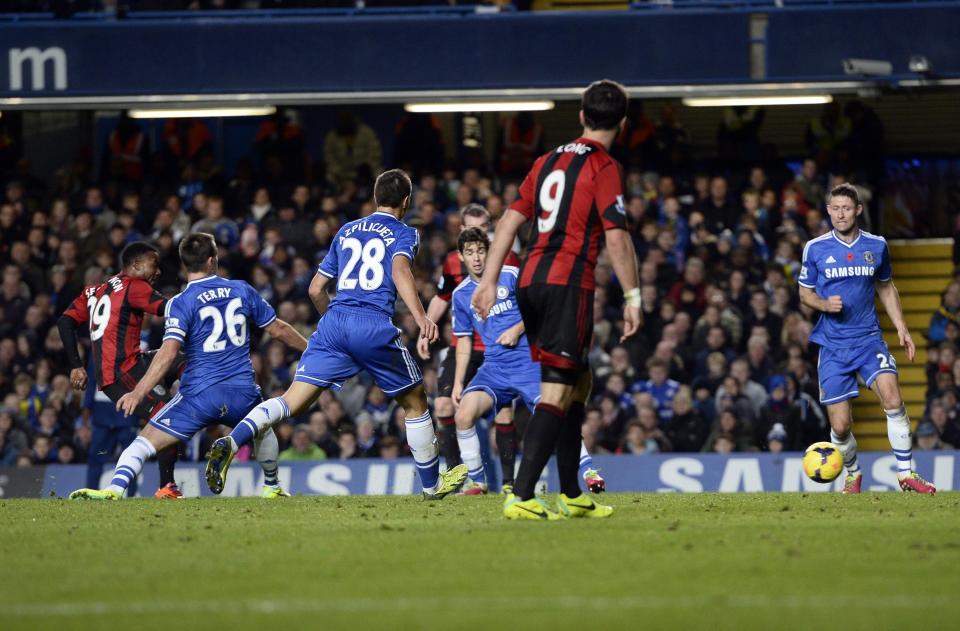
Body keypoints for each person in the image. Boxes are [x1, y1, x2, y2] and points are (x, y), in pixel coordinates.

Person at [205, 169, 468, 499]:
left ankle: (231, 440)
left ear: (375, 198)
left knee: (290, 401)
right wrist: (420, 315)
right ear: (406, 201)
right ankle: (432, 486)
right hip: (372, 323)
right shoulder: (405, 233)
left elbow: (316, 289)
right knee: (414, 402)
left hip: (334, 322)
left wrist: (334, 325)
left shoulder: (346, 230)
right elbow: (399, 270)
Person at [472, 80, 642, 520]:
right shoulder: (604, 167)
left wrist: (489, 281)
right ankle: (522, 494)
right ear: (622, 124)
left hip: (529, 281)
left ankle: (571, 491)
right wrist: (633, 296)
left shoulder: (547, 160)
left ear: (582, 117)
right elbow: (617, 237)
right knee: (557, 389)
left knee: (578, 381)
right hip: (568, 285)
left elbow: (509, 221)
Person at [68, 233, 308, 500]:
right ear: (212, 260)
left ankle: (114, 490)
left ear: (185, 265)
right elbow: (278, 329)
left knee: (143, 443)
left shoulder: (181, 302)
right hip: (242, 393)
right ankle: (271, 485)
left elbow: (168, 353)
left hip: (197, 398)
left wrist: (138, 391)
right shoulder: (242, 289)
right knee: (263, 428)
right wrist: (311, 349)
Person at [798, 183, 935, 494]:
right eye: (835, 208)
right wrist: (823, 304)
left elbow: (885, 286)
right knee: (840, 426)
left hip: (869, 339)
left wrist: (901, 326)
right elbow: (804, 293)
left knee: (893, 398)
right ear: (828, 210)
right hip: (832, 346)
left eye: (847, 208)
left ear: (858, 210)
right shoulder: (815, 248)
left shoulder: (876, 245)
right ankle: (853, 473)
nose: (840, 214)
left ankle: (906, 474)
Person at [450, 228, 604, 496]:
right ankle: (478, 482)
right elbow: (463, 340)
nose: (476, 258)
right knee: (463, 415)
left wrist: (517, 330)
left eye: (481, 251)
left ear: (490, 252)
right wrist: (458, 382)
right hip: (494, 368)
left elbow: (538, 311)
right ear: (461, 257)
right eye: (470, 253)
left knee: (556, 416)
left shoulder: (510, 276)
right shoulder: (461, 295)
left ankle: (588, 470)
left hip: (528, 362)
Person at [56, 241, 184, 499]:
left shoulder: (94, 290)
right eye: (153, 264)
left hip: (125, 368)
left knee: (181, 360)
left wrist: (75, 365)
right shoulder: (134, 286)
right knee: (169, 416)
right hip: (124, 374)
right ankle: (166, 487)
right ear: (136, 266)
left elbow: (65, 320)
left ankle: (191, 400)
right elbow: (167, 309)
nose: (157, 272)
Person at [416, 203, 520, 476]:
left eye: (483, 230)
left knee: (503, 414)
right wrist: (426, 329)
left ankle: (508, 482)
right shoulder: (453, 261)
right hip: (465, 346)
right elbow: (442, 297)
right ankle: (455, 474)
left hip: (499, 349)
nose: (477, 235)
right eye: (471, 230)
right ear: (461, 232)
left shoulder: (509, 261)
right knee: (443, 404)